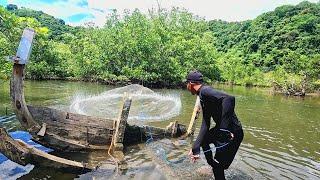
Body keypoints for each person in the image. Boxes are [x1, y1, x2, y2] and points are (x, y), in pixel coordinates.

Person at [186, 70, 244, 180]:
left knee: (219, 167)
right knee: (205, 143)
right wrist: (195, 147)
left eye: (186, 84)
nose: (186, 86)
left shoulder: (205, 91)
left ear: (191, 84)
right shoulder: (203, 96)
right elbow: (205, 124)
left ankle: (216, 166)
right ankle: (212, 164)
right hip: (224, 131)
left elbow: (229, 99)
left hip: (233, 133)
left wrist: (223, 130)